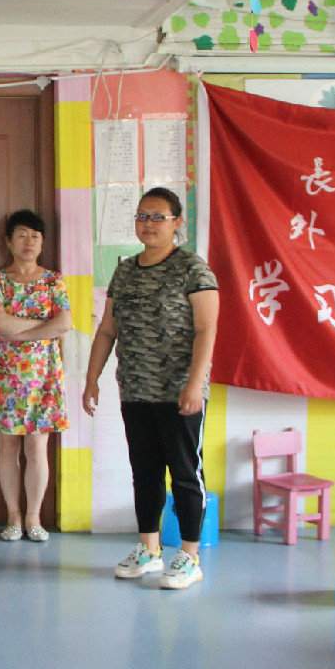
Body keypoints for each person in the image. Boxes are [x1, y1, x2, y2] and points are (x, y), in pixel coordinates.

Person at [81, 186, 218, 590]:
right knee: (144, 473)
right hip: (136, 390)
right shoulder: (125, 271)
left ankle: (189, 555)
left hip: (180, 392)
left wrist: (195, 384)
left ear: (177, 223)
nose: (148, 223)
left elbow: (207, 329)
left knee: (185, 473)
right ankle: (149, 549)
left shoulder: (193, 269)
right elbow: (107, 330)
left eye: (158, 216)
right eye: (142, 216)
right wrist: (91, 379)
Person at [0, 208, 71, 543]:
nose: (28, 242)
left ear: (42, 242)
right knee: (6, 448)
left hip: (44, 377)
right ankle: (13, 516)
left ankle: (34, 517)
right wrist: (43, 327)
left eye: (35, 236)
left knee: (37, 448)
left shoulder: (54, 280)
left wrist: (20, 331)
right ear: (8, 241)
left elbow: (64, 324)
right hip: (4, 376)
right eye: (21, 235)